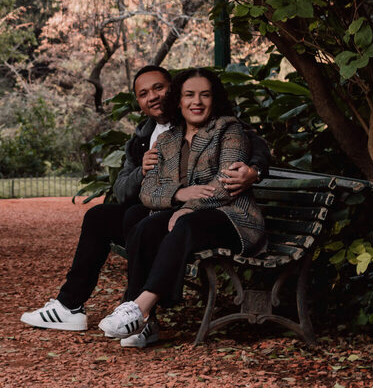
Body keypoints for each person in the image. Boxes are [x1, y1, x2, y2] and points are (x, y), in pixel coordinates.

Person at [20, 65, 269, 347]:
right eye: (143, 93)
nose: (153, 96)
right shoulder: (148, 136)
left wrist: (254, 171)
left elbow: (250, 150)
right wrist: (153, 177)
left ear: (171, 90)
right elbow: (130, 189)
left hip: (218, 214)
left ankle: (139, 310)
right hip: (165, 211)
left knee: (147, 221)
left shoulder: (225, 127)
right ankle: (72, 307)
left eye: (159, 88)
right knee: (110, 217)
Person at [97, 68, 267, 344]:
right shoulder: (168, 140)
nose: (196, 102)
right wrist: (179, 194)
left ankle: (139, 308)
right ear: (178, 100)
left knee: (185, 223)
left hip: (233, 219)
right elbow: (148, 191)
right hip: (189, 220)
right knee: (145, 227)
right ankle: (145, 324)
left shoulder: (228, 130)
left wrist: (190, 207)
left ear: (214, 100)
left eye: (205, 95)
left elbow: (225, 183)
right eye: (189, 95)